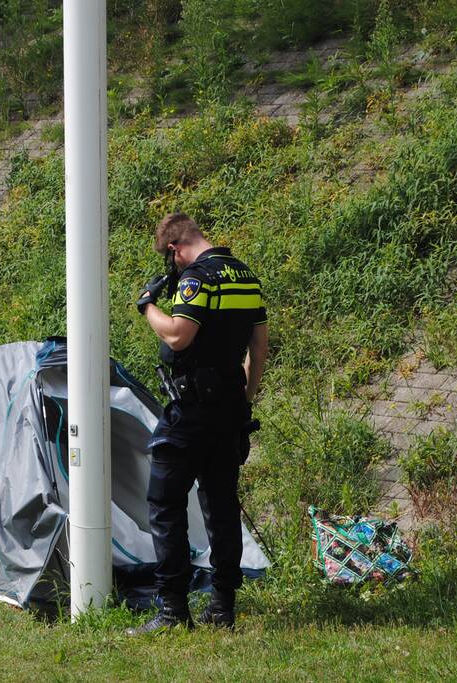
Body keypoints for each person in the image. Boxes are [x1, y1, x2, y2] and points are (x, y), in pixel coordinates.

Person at [127, 212, 268, 634]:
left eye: (170, 261)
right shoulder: (246, 277)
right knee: (221, 506)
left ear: (175, 250)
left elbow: (177, 335)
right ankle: (223, 607)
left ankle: (172, 611)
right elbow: (258, 352)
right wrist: (244, 398)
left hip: (190, 412)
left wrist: (148, 305)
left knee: (164, 502)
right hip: (229, 410)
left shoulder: (196, 279)